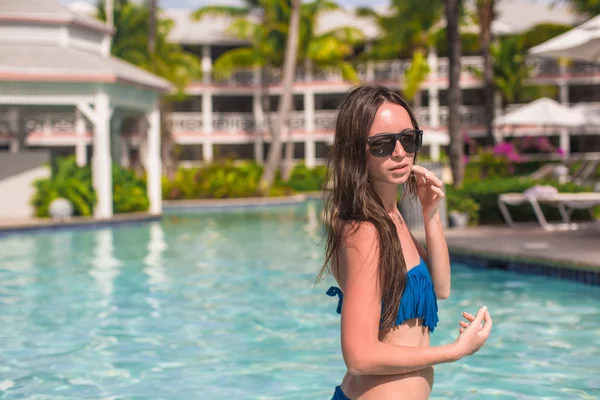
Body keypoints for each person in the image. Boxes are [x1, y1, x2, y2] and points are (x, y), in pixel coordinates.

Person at [316, 84, 492, 400]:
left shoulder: (391, 219)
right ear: (356, 150)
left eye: (408, 140)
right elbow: (359, 357)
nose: (400, 153)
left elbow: (440, 288)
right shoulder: (364, 230)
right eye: (382, 144)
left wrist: (431, 215)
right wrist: (453, 351)